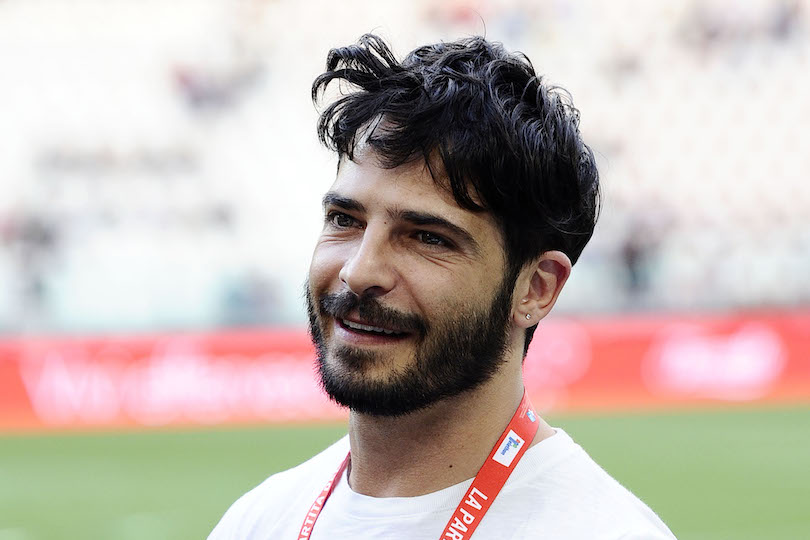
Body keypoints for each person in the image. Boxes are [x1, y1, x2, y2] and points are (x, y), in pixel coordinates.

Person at [209, 34, 676, 539]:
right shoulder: (257, 521)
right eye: (345, 219)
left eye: (427, 237)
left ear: (535, 289)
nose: (359, 272)